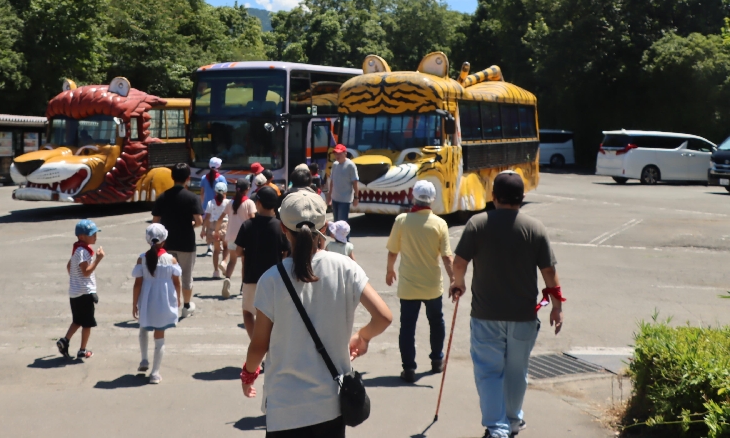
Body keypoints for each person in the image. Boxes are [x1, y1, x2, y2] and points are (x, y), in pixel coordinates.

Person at [241, 189, 393, 436]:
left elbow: (259, 345)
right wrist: (362, 337)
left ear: (283, 228)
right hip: (331, 405)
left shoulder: (271, 279)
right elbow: (384, 316)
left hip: (284, 408)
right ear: (325, 226)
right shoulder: (346, 267)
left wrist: (248, 374)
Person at [450, 171, 564, 438]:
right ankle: (513, 420)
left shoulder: (477, 224)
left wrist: (459, 283)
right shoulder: (535, 228)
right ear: (522, 197)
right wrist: (557, 306)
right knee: (517, 372)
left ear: (493, 196)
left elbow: (459, 263)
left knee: (489, 372)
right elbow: (549, 272)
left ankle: (497, 427)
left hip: (486, 314)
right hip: (523, 316)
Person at [384, 180, 453, 382]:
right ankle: (437, 360)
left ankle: (409, 369)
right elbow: (447, 257)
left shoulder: (402, 221)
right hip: (432, 286)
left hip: (408, 286)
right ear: (432, 200)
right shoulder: (440, 224)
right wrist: (454, 280)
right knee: (436, 322)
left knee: (407, 327)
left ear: (413, 196)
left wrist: (390, 271)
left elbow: (392, 251)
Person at [231, 185, 290, 338]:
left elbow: (237, 251)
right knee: (273, 316)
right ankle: (272, 347)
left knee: (249, 313)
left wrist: (246, 253)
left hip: (252, 277)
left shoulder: (248, 225)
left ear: (258, 203)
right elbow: (287, 251)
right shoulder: (280, 227)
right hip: (275, 278)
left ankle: (256, 344)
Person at [152, 162, 203, 319]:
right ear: (188, 178)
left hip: (166, 243)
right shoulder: (192, 198)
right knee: (186, 275)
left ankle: (168, 304)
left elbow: (155, 222)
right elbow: (199, 221)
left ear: (172, 177)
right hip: (186, 242)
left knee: (166, 274)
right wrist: (190, 225)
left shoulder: (162, 197)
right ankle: (186, 306)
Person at [132, 223, 182, 384]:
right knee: (159, 336)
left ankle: (144, 359)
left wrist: (134, 303)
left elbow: (137, 284)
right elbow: (177, 282)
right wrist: (178, 299)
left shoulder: (142, 258)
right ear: (164, 240)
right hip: (164, 300)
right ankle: (155, 372)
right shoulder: (171, 259)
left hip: (147, 299)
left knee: (143, 328)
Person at [58, 219, 105, 359]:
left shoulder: (77, 250)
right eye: (92, 234)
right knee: (87, 324)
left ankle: (64, 340)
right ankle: (82, 350)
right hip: (85, 293)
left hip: (75, 293)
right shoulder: (83, 251)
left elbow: (69, 267)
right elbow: (86, 272)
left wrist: (75, 280)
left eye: (95, 233)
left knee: (77, 320)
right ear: (81, 237)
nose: (95, 236)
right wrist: (98, 259)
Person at [221, 178, 256, 298]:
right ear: (247, 189)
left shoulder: (230, 203)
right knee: (245, 263)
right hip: (245, 237)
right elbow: (252, 219)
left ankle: (227, 279)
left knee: (232, 261)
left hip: (231, 235)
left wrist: (216, 229)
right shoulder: (249, 203)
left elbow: (222, 216)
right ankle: (243, 287)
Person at [203, 180, 232, 278]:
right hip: (225, 225)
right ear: (225, 192)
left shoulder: (210, 203)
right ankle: (224, 262)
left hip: (213, 226)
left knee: (216, 250)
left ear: (215, 192)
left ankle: (216, 271)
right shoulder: (228, 202)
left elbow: (206, 217)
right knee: (226, 247)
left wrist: (203, 230)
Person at [327, 144, 359, 222]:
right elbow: (332, 181)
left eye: (339, 153)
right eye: (335, 153)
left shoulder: (350, 165)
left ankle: (346, 235)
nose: (337, 155)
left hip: (345, 200)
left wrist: (356, 197)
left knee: (342, 223)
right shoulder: (335, 164)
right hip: (335, 198)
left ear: (345, 153)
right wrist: (329, 196)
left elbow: (355, 183)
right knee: (336, 222)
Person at [200, 157, 225, 255]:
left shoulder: (203, 178)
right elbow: (224, 193)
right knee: (219, 224)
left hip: (207, 205)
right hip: (218, 205)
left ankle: (209, 247)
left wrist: (203, 205)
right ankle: (219, 245)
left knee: (208, 226)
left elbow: (202, 193)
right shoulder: (221, 178)